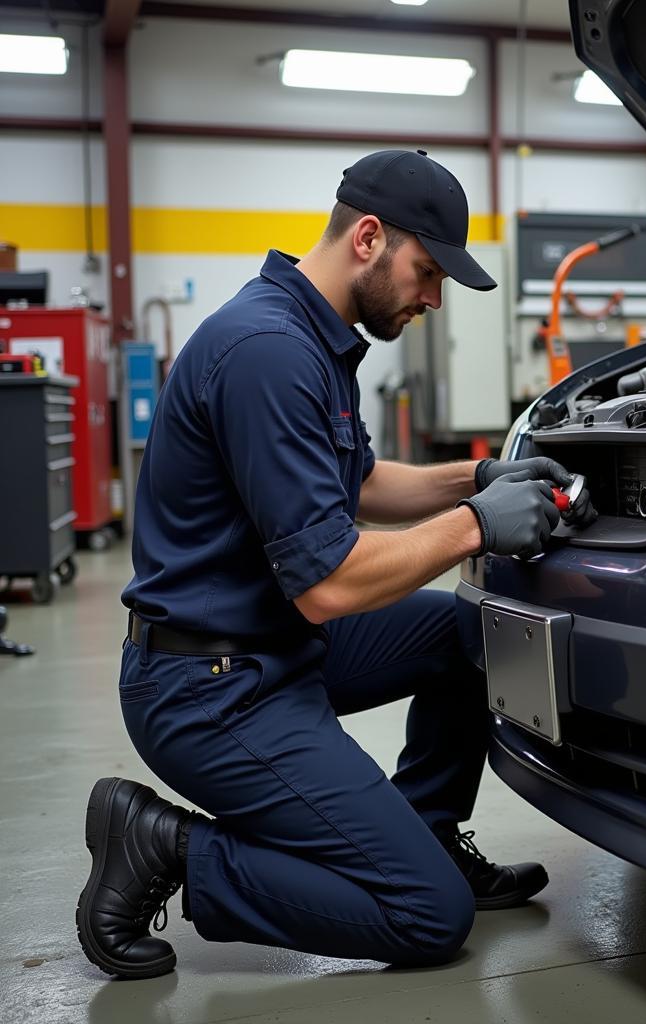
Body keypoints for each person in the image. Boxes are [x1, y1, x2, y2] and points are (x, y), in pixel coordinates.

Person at [75, 149, 596, 980]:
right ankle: (168, 848)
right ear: (367, 237)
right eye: (427, 272)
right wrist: (473, 526)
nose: (433, 298)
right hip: (210, 690)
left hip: (268, 647)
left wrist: (481, 476)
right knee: (428, 916)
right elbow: (329, 586)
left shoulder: (308, 336)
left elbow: (358, 484)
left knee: (475, 631)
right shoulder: (266, 352)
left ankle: (423, 831)